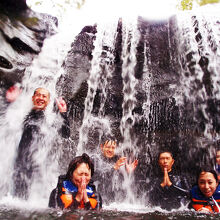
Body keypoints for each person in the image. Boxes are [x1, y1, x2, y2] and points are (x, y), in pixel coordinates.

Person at [7, 86, 70, 199]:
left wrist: (63, 113)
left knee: (34, 200)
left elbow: (66, 134)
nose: (41, 98)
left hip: (40, 168)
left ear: (48, 101)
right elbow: (8, 124)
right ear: (33, 98)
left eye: (44, 96)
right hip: (20, 166)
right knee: (18, 200)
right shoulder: (23, 114)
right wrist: (10, 103)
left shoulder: (50, 120)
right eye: (38, 95)